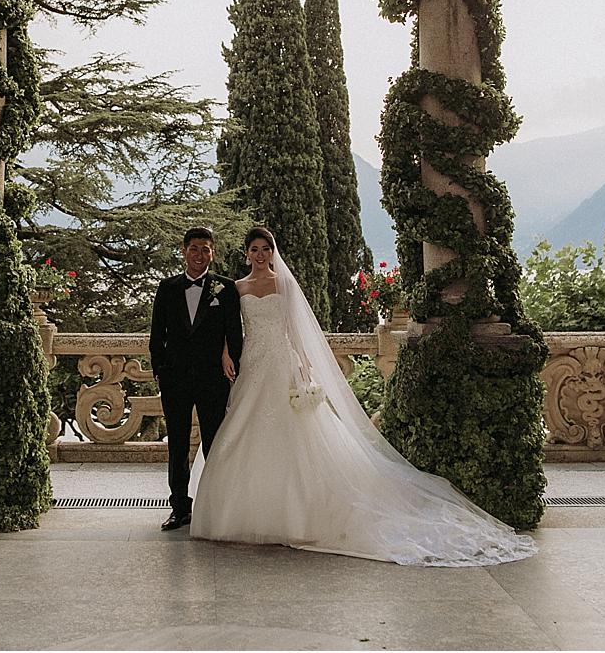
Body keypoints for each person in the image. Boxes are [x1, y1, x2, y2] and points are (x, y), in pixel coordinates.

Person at [189, 226, 537, 566]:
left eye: (266, 249)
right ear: (246, 254)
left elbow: (295, 328)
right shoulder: (237, 287)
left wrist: (304, 366)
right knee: (245, 432)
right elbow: (229, 328)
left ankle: (300, 514)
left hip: (282, 361)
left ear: (273, 251)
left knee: (295, 432)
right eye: (255, 250)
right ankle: (248, 512)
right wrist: (224, 353)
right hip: (252, 361)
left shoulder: (284, 283)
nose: (261, 255)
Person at [148, 226, 243, 531]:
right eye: (194, 248)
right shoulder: (166, 288)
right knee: (176, 444)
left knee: (215, 442)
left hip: (212, 380)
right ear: (184, 251)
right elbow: (156, 337)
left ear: (212, 252)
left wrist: (231, 364)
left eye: (205, 249)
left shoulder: (225, 289)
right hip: (175, 380)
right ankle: (179, 507)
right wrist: (160, 372)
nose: (199, 254)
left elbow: (234, 333)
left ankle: (214, 506)